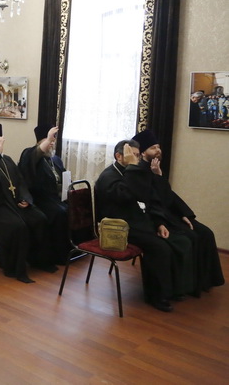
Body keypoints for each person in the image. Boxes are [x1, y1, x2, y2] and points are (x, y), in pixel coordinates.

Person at [95, 139, 193, 312]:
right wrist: (133, 168)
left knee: (178, 240)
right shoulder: (108, 177)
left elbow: (151, 199)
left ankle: (174, 288)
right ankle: (156, 296)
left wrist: (159, 222)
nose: (137, 159)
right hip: (119, 226)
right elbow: (125, 198)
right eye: (133, 155)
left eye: (137, 155)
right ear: (119, 156)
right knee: (160, 248)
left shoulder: (134, 172)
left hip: (140, 220)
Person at [132, 130, 224, 295]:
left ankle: (206, 281)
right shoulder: (138, 172)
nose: (158, 150)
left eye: (158, 147)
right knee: (191, 237)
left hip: (171, 213)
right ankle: (190, 285)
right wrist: (158, 177)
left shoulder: (155, 168)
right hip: (158, 217)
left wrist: (183, 213)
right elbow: (151, 201)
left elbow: (169, 196)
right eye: (153, 148)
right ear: (143, 152)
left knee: (206, 233)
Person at [0, 124, 56, 283]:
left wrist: (25, 199)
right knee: (17, 227)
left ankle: (37, 260)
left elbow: (20, 182)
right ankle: (11, 264)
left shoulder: (7, 160)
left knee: (39, 218)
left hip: (14, 203)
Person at [18, 125, 70, 264]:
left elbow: (63, 178)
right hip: (39, 198)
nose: (51, 144)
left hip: (56, 197)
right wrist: (48, 140)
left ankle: (72, 248)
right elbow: (32, 161)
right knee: (60, 213)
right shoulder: (29, 154)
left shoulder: (55, 159)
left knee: (72, 209)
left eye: (53, 141)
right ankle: (58, 255)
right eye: (48, 141)